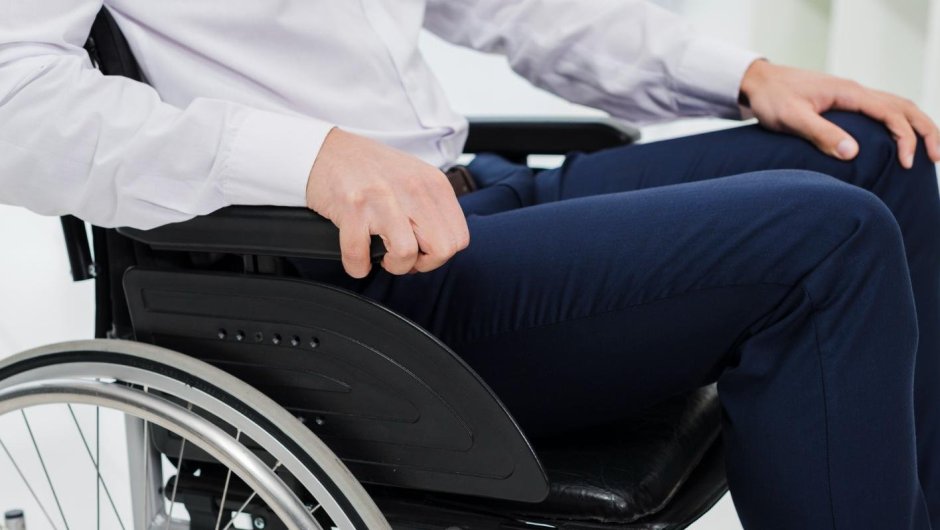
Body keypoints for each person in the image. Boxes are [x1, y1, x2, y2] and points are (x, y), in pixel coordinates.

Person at [1, 1, 938, 527]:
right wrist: (305, 156)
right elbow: (15, 100)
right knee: (828, 238)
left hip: (465, 197)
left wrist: (743, 74)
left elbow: (512, 6)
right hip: (348, 279)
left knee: (876, 155)